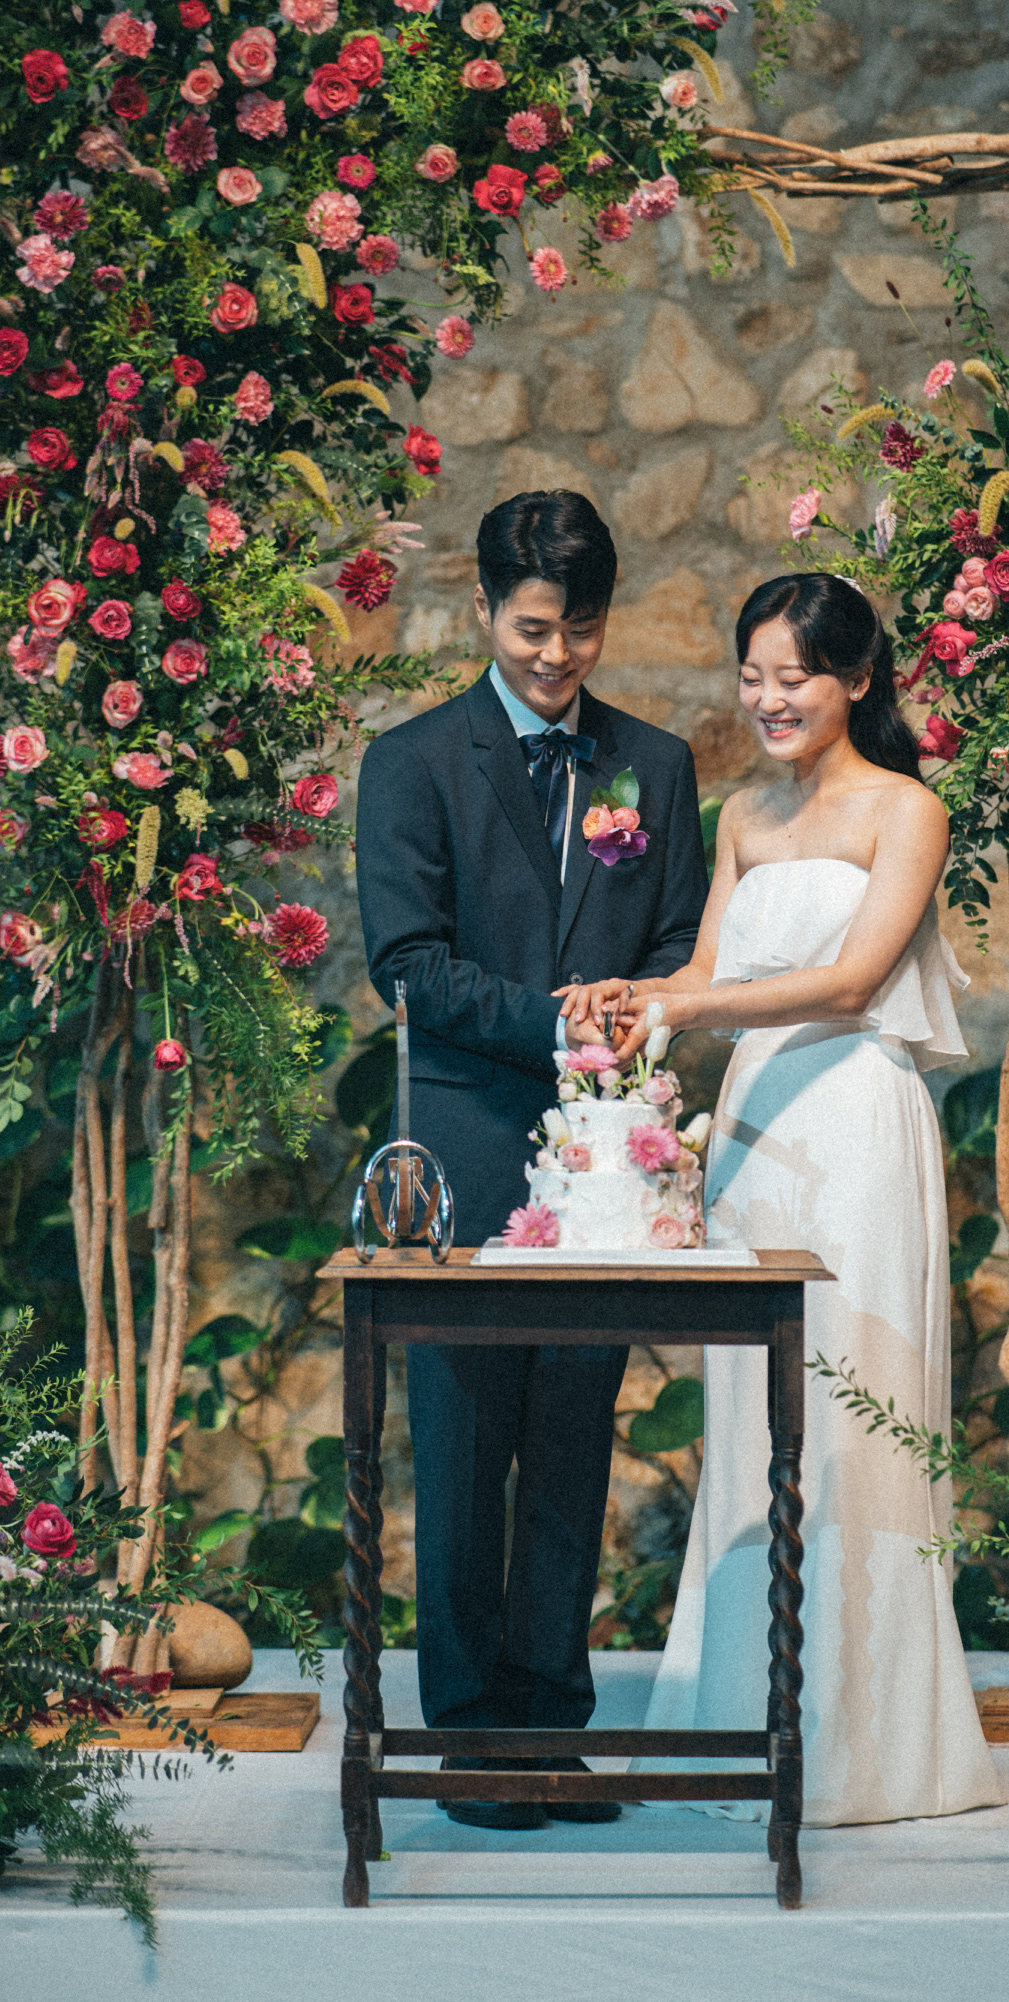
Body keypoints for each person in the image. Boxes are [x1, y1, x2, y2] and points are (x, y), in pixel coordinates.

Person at [564, 572, 1003, 1826]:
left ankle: (867, 1746)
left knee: (855, 1398)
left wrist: (689, 1004)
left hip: (855, 1115)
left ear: (856, 680)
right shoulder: (745, 816)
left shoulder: (908, 809)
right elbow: (706, 967)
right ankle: (738, 1722)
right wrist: (629, 997)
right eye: (751, 676)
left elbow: (856, 982)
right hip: (757, 1127)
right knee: (754, 1413)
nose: (768, 698)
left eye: (793, 677)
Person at [354, 490, 709, 1830]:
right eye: (534, 630)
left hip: (605, 1156)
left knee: (570, 1438)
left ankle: (552, 1727)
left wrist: (640, 1006)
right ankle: (466, 1736)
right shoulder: (412, 762)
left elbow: (676, 938)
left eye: (582, 629)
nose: (559, 656)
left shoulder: (651, 765)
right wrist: (555, 1019)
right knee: (460, 1446)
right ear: (485, 612)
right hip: (463, 1150)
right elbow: (407, 962)